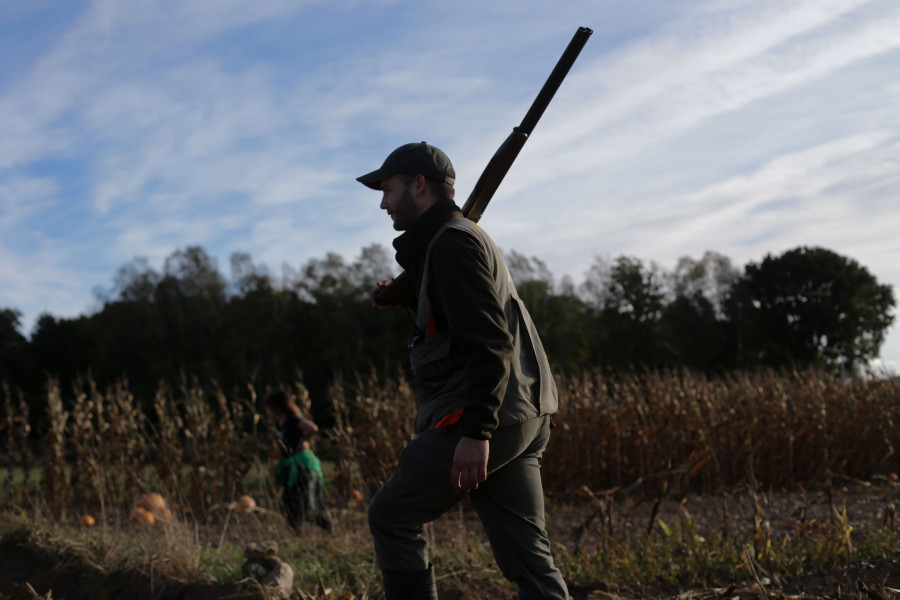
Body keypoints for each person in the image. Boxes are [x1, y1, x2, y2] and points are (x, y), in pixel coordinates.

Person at [358, 142, 568, 599]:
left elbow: (490, 343)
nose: (382, 202)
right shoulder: (453, 240)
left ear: (419, 184)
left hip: (483, 418)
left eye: (388, 189)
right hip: (525, 414)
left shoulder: (451, 243)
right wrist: (400, 295)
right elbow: (453, 317)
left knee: (391, 514)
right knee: (530, 560)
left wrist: (475, 434)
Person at [265, 390, 334, 533]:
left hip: (303, 465)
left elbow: (312, 428)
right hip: (290, 466)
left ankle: (327, 524)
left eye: (270, 407)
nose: (268, 411)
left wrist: (304, 440)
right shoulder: (279, 423)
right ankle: (295, 531)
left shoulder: (292, 419)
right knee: (288, 500)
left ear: (277, 406)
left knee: (303, 502)